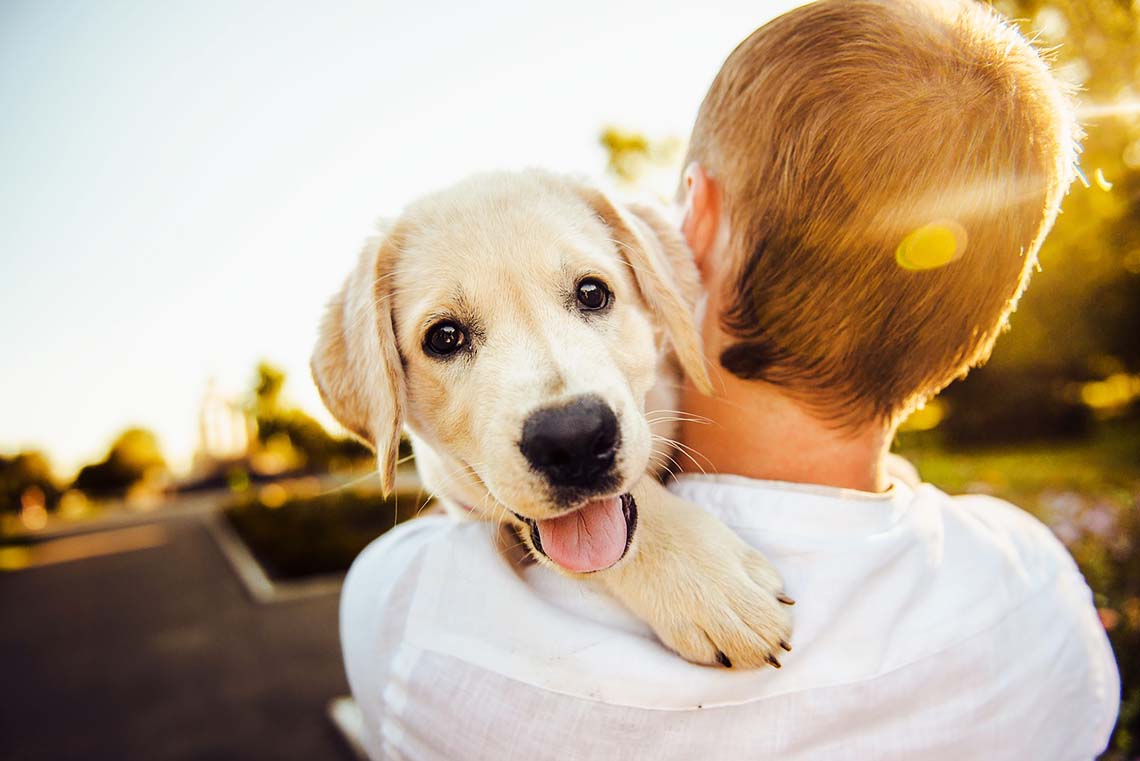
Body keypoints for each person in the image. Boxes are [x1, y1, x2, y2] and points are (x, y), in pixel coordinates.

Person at [339, 1, 1120, 758]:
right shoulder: (1037, 592)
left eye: (590, 295)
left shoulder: (413, 613)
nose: (563, 403)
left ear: (694, 226)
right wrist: (648, 537)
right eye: (448, 337)